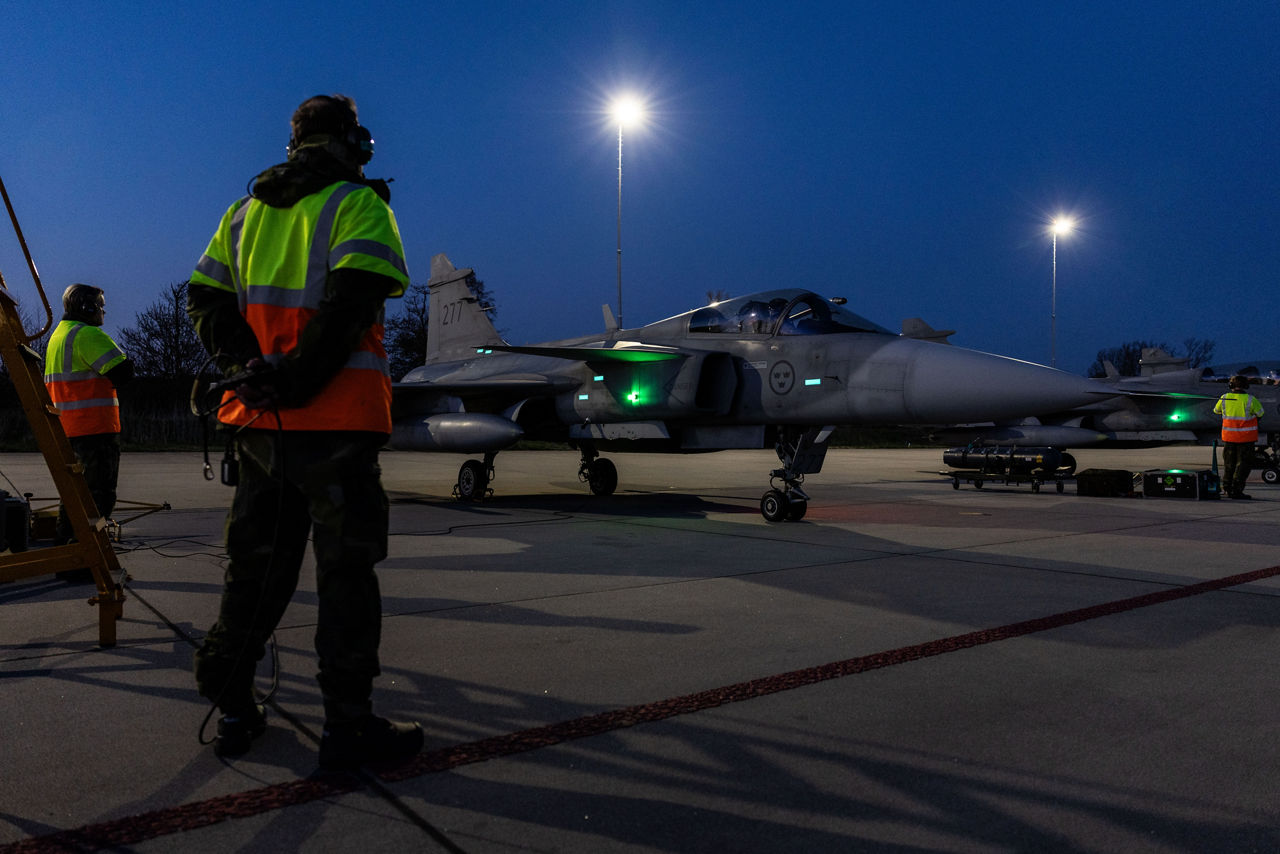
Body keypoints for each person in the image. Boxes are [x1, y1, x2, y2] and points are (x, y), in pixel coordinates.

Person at [187, 94, 421, 768]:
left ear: (294, 143)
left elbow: (202, 297)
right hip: (336, 425)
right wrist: (290, 380)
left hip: (260, 428)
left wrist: (246, 369)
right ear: (355, 142)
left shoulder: (243, 214)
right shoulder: (358, 206)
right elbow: (351, 306)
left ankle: (232, 705)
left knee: (254, 573)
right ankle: (348, 729)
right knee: (346, 578)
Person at [43, 284, 133, 579]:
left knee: (74, 497)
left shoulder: (59, 335)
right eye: (100, 306)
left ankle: (65, 552)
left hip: (69, 428)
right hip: (94, 429)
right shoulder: (88, 335)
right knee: (99, 497)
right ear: (88, 308)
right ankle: (84, 561)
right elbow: (123, 373)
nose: (103, 311)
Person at [1214, 374, 1265, 499]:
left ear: (1231, 385)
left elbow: (1216, 410)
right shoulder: (1250, 400)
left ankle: (1226, 489)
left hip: (1229, 438)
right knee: (1242, 466)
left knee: (1229, 465)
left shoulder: (1224, 398)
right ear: (1246, 386)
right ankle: (1237, 491)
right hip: (1246, 439)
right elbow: (1260, 414)